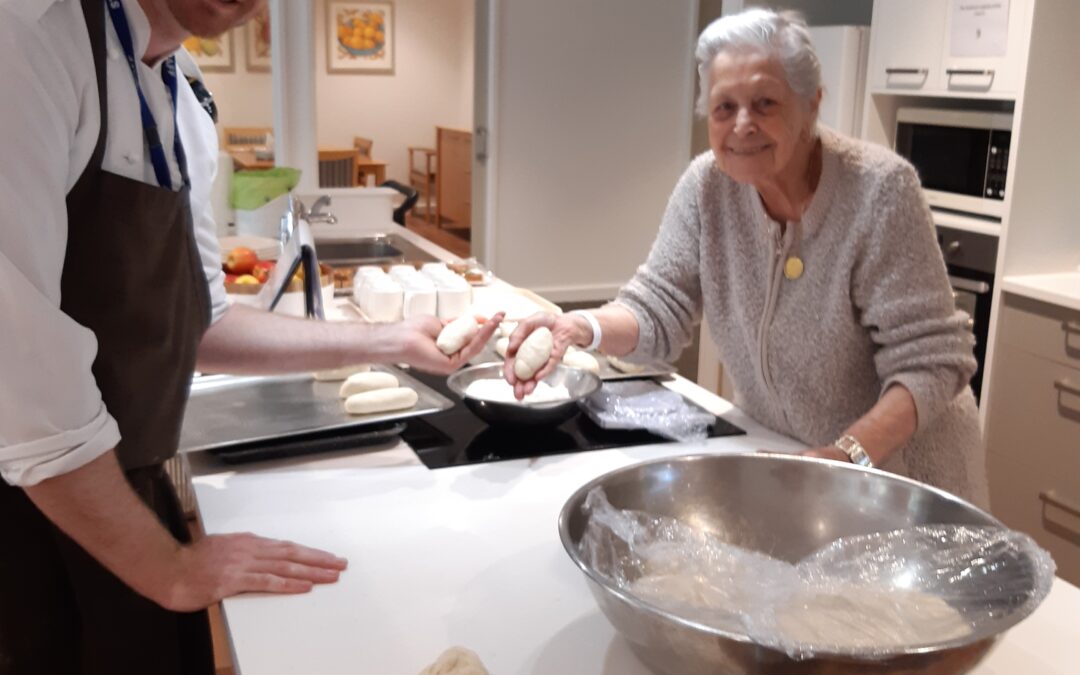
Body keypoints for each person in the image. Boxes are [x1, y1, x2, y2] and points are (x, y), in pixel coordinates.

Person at [0, 0, 500, 672]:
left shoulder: (184, 102)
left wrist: (393, 339)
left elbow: (206, 324)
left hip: (128, 485)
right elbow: (25, 393)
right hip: (40, 511)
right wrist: (171, 567)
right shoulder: (29, 40)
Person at [504, 9, 988, 507]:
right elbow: (657, 304)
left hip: (901, 477)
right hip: (792, 459)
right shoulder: (706, 187)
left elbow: (932, 364)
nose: (742, 125)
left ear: (811, 105)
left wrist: (845, 457)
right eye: (723, 107)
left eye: (764, 103)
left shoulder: (879, 191)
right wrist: (579, 326)